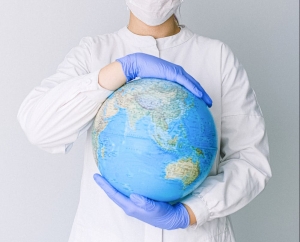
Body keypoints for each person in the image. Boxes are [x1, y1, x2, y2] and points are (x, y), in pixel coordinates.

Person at [17, 0, 272, 241]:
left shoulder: (217, 56)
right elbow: (39, 128)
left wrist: (191, 212)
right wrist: (121, 70)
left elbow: (251, 161)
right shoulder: (93, 52)